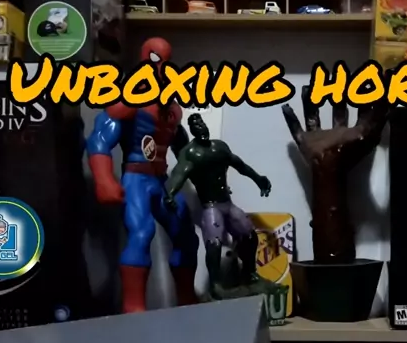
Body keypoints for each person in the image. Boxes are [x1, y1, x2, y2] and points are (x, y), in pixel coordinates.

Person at [86, 37, 198, 314]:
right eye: (155, 59)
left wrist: (202, 177)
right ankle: (134, 308)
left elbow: (183, 148)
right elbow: (100, 138)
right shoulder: (129, 99)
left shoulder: (171, 108)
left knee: (186, 236)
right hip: (136, 177)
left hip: (162, 180)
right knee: (141, 232)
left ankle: (188, 302)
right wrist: (104, 178)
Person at [164, 113, 271, 299]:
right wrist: (171, 193)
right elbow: (179, 174)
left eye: (201, 123)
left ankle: (250, 273)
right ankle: (215, 284)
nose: (200, 127)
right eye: (195, 125)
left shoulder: (219, 147)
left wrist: (258, 178)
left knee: (249, 235)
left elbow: (240, 165)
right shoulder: (191, 153)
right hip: (211, 206)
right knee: (214, 243)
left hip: (227, 203)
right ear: (192, 130)